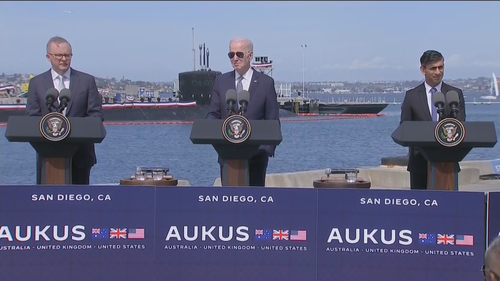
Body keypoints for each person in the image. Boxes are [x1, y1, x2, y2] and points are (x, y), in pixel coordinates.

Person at [26, 36, 103, 185]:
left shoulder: (86, 81)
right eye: (59, 55)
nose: (63, 59)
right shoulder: (36, 83)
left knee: (79, 205)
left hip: (80, 156)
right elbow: (32, 118)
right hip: (48, 158)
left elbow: (96, 115)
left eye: (67, 55)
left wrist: (72, 129)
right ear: (48, 57)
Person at [206, 37, 280, 186]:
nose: (234, 58)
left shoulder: (266, 83)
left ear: (250, 55)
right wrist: (214, 137)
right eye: (231, 55)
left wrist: (265, 150)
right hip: (227, 156)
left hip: (256, 158)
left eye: (239, 54)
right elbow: (213, 114)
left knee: (254, 205)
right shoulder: (221, 82)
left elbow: (272, 120)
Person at [400, 50, 466, 190]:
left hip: (448, 164)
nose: (438, 72)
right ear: (423, 70)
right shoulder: (412, 96)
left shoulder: (454, 94)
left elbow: (460, 126)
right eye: (433, 68)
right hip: (420, 164)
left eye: (441, 67)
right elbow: (404, 128)